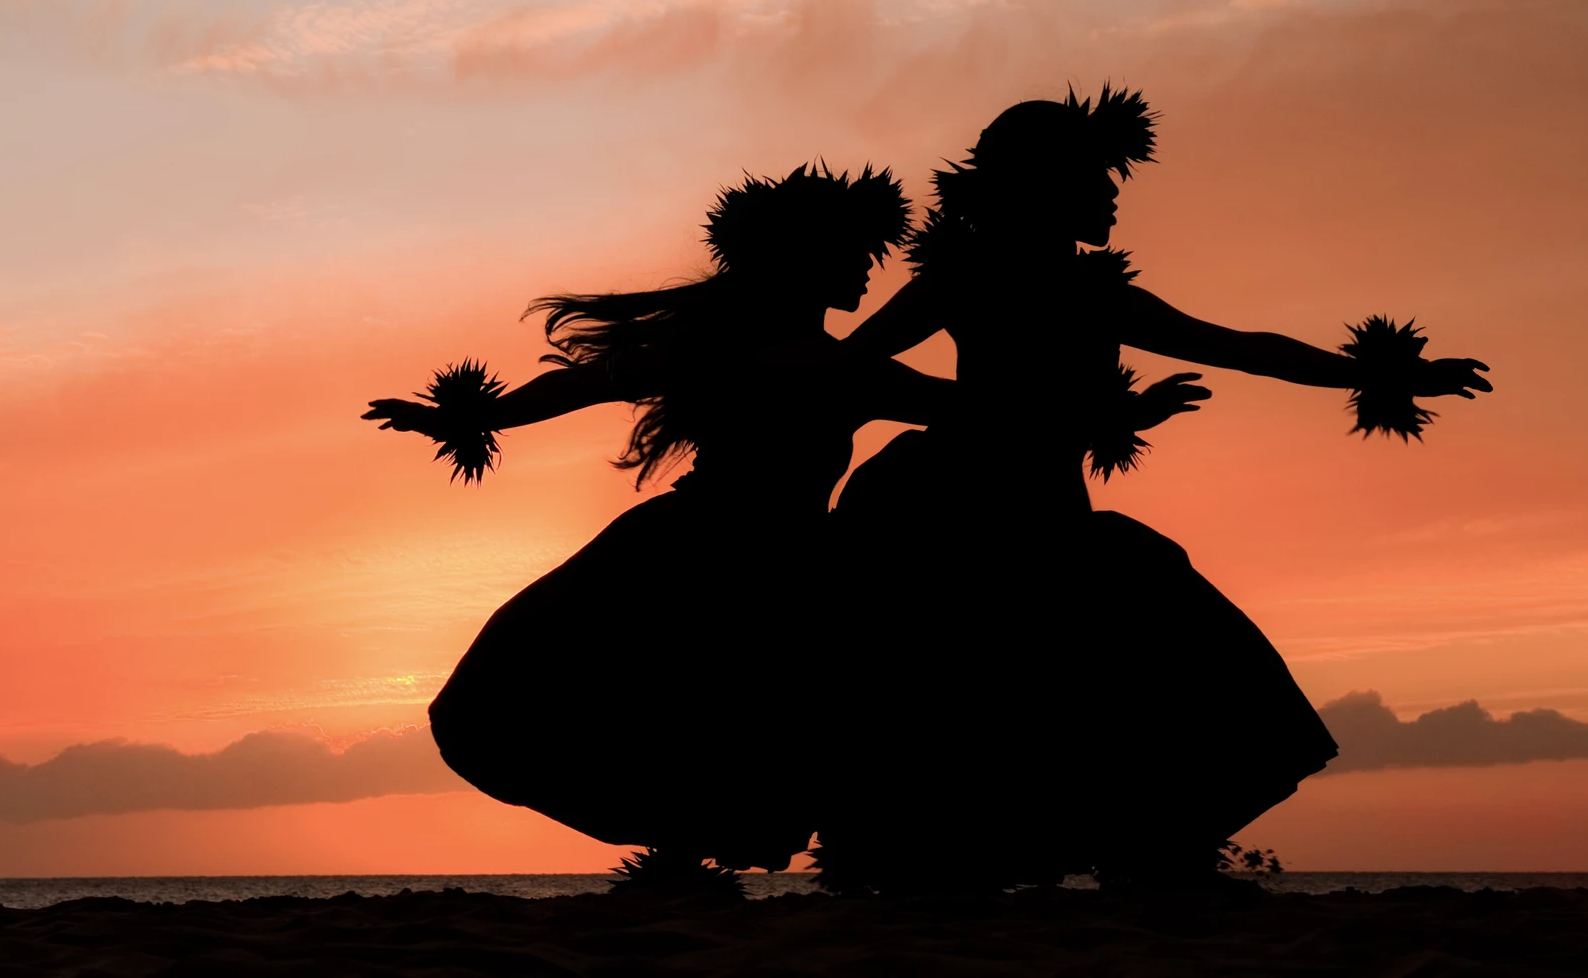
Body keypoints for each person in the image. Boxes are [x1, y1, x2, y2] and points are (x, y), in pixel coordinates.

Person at [819, 86, 1492, 890]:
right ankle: (1014, 860)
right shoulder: (964, 280)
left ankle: (1139, 855)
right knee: (998, 693)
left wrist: (1383, 372)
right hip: (963, 518)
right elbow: (846, 367)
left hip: (1052, 516)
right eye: (1096, 180)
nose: (1110, 196)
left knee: (1097, 691)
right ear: (1045, 186)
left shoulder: (1095, 294)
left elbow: (1241, 347)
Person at [364, 163, 956, 873]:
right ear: (806, 258)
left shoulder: (756, 358)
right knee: (699, 710)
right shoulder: (831, 367)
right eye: (855, 254)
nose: (868, 270)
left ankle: (683, 854)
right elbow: (578, 384)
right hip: (732, 556)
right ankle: (690, 850)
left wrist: (466, 417)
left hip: (710, 553)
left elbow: (576, 385)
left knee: (685, 710)